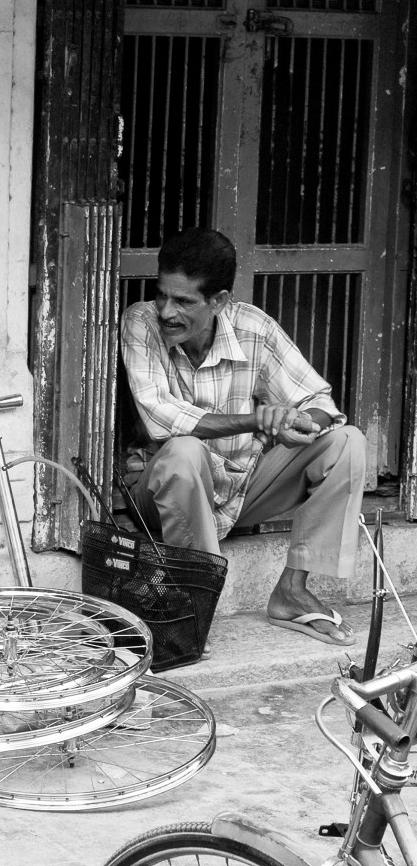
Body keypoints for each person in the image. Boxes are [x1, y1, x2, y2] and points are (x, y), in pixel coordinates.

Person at [120, 228, 367, 647]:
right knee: (183, 451)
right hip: (163, 496)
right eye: (162, 295)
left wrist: (293, 418)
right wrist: (257, 420)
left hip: (241, 486)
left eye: (183, 301)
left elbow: (321, 401)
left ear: (218, 301)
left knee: (347, 441)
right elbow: (160, 419)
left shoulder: (253, 326)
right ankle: (193, 606)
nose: (165, 310)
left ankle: (292, 590)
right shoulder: (139, 323)